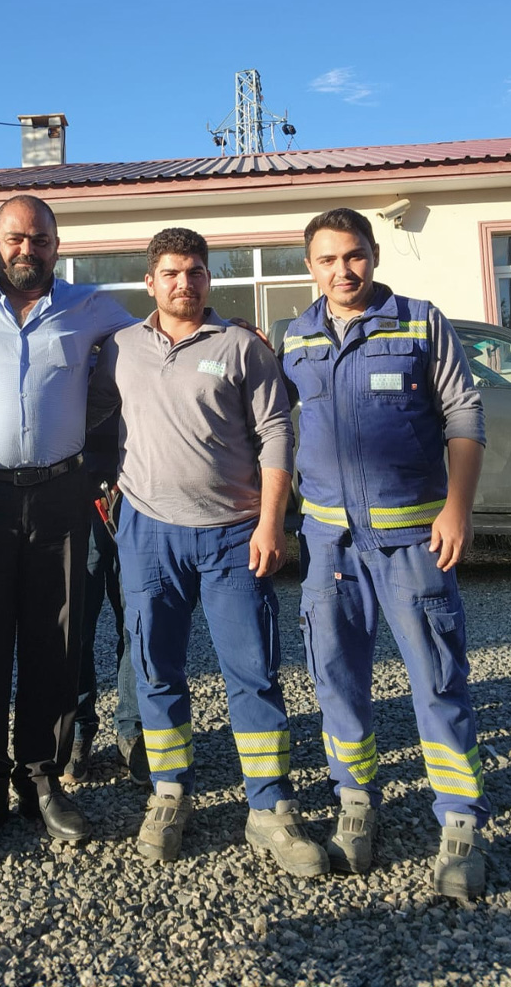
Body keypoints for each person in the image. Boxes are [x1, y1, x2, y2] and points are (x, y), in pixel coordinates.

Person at [89, 227, 329, 877]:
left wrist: (272, 523)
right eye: (171, 273)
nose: (184, 283)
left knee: (253, 671)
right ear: (150, 282)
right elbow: (88, 415)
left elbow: (277, 432)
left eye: (195, 271)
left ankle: (270, 807)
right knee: (155, 668)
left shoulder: (241, 347)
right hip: (148, 533)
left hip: (234, 533)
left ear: (208, 278)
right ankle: (169, 792)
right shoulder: (121, 349)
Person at [281, 207, 491, 900]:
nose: (343, 271)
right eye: (327, 259)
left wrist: (457, 508)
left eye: (354, 255)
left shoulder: (420, 323)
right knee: (336, 680)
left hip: (413, 543)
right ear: (310, 266)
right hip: (328, 546)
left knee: (437, 680)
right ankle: (356, 804)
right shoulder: (296, 336)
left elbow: (464, 416)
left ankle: (459, 824)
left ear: (374, 254)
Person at [0, 195, 135, 863]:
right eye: (15, 238)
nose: (28, 248)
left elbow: (160, 334)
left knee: (57, 641)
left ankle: (43, 777)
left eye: (40, 238)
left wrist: (228, 332)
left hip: (59, 498)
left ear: (56, 245)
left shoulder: (90, 306)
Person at [62, 416, 150, 789]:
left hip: (140, 485)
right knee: (77, 622)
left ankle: (131, 730)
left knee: (136, 622)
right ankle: (79, 730)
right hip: (79, 488)